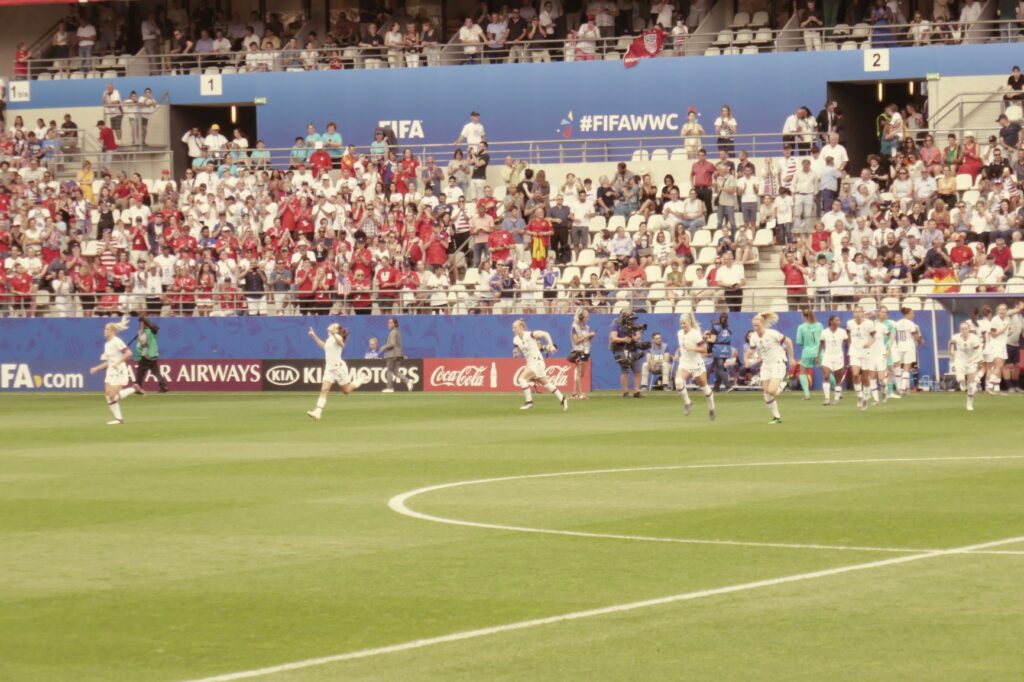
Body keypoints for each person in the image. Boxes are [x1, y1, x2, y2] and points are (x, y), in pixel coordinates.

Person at [89, 319, 143, 425]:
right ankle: (119, 419)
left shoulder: (117, 341)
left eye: (107, 329)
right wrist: (96, 368)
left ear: (113, 331)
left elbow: (128, 353)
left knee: (112, 396)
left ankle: (133, 388)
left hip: (119, 370)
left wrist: (118, 362)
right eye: (105, 329)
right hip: (111, 370)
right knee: (108, 395)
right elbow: (108, 362)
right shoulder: (107, 344)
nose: (105, 331)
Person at [747, 311, 794, 425]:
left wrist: (791, 358)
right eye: (754, 325)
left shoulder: (772, 333)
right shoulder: (753, 337)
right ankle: (776, 417)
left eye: (757, 325)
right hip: (766, 365)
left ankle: (784, 383)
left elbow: (788, 341)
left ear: (762, 324)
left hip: (777, 362)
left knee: (772, 391)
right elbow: (752, 351)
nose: (755, 327)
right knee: (766, 394)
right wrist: (748, 356)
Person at [306, 323, 360, 420]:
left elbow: (342, 344)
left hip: (339, 368)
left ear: (336, 330)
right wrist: (314, 336)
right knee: (324, 389)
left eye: (333, 326)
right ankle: (318, 411)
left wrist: (334, 334)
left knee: (346, 391)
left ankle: (358, 381)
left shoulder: (337, 336)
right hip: (329, 369)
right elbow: (324, 347)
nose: (331, 326)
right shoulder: (329, 339)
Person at [512, 319, 568, 411]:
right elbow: (516, 351)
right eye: (512, 328)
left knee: (521, 379)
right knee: (546, 383)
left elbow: (545, 334)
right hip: (530, 364)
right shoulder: (515, 339)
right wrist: (516, 354)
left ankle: (529, 402)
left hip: (537, 363)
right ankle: (563, 399)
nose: (513, 329)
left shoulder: (530, 334)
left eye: (515, 327)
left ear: (521, 327)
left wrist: (551, 346)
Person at [675, 313, 716, 420]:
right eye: (681, 323)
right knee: (678, 382)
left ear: (689, 322)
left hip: (696, 364)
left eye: (684, 323)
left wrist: (693, 348)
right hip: (685, 363)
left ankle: (711, 407)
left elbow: (705, 349)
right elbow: (682, 346)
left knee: (704, 388)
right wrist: (677, 352)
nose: (682, 325)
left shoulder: (696, 334)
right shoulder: (679, 333)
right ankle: (688, 402)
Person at [609, 305, 644, 398]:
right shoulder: (615, 323)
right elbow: (613, 338)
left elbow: (638, 335)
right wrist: (624, 339)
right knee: (625, 370)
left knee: (637, 370)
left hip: (633, 348)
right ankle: (625, 392)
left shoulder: (633, 322)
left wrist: (632, 338)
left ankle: (636, 391)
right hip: (620, 348)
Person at [949, 321, 982, 411]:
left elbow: (978, 351)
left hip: (971, 361)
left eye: (966, 328)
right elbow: (950, 345)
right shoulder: (955, 337)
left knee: (971, 386)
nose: (964, 330)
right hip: (960, 360)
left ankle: (969, 403)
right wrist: (950, 352)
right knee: (960, 378)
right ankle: (962, 383)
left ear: (969, 329)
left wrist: (975, 361)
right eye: (962, 329)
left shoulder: (974, 338)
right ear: (960, 330)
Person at [132, 313, 168, 393]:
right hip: (153, 355)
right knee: (156, 372)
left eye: (141, 324)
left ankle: (138, 387)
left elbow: (143, 343)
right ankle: (163, 386)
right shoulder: (151, 332)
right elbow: (155, 328)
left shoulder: (146, 332)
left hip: (146, 355)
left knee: (140, 372)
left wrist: (140, 333)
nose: (140, 325)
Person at [893, 306, 922, 397]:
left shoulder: (897, 323)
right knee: (907, 368)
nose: (913, 315)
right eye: (912, 313)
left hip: (900, 346)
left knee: (900, 368)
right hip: (909, 346)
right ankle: (903, 388)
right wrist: (920, 340)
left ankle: (899, 387)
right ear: (907, 314)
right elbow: (915, 336)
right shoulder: (911, 324)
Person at [795, 309, 823, 401]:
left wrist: (806, 344)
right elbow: (823, 339)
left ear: (803, 316)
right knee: (826, 372)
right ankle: (837, 390)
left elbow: (798, 341)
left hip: (807, 352)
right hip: (819, 352)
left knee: (802, 372)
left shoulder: (801, 327)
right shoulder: (819, 325)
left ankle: (807, 395)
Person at [819, 315, 847, 405]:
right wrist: (817, 355)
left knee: (838, 379)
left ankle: (836, 398)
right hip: (827, 357)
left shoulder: (842, 332)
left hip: (839, 357)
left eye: (839, 320)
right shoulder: (824, 332)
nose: (838, 322)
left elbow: (848, 343)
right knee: (826, 376)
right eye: (836, 320)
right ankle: (827, 398)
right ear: (831, 321)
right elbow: (821, 344)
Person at [381, 317, 414, 393]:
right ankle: (408, 381)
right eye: (388, 322)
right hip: (398, 354)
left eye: (390, 323)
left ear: (395, 324)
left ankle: (390, 388)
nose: (388, 324)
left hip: (392, 354)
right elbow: (399, 344)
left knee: (389, 371)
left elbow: (392, 344)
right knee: (395, 371)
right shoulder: (398, 332)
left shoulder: (392, 332)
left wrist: (383, 347)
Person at [568, 308, 595, 400]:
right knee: (579, 372)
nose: (587, 318)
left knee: (581, 373)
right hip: (578, 351)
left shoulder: (586, 327)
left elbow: (585, 340)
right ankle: (580, 393)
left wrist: (590, 337)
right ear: (580, 316)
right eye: (586, 316)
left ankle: (574, 393)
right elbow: (576, 341)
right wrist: (586, 336)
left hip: (586, 351)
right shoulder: (574, 327)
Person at [985, 303, 1010, 395]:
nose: (1002, 311)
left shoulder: (1007, 319)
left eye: (1004, 309)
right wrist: (1004, 329)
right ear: (997, 311)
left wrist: (1009, 331)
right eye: (1000, 309)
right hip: (996, 345)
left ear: (1006, 311)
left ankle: (996, 389)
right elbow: (993, 334)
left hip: (1003, 345)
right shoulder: (995, 320)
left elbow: (1004, 334)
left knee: (1000, 367)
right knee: (998, 366)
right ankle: (989, 387)